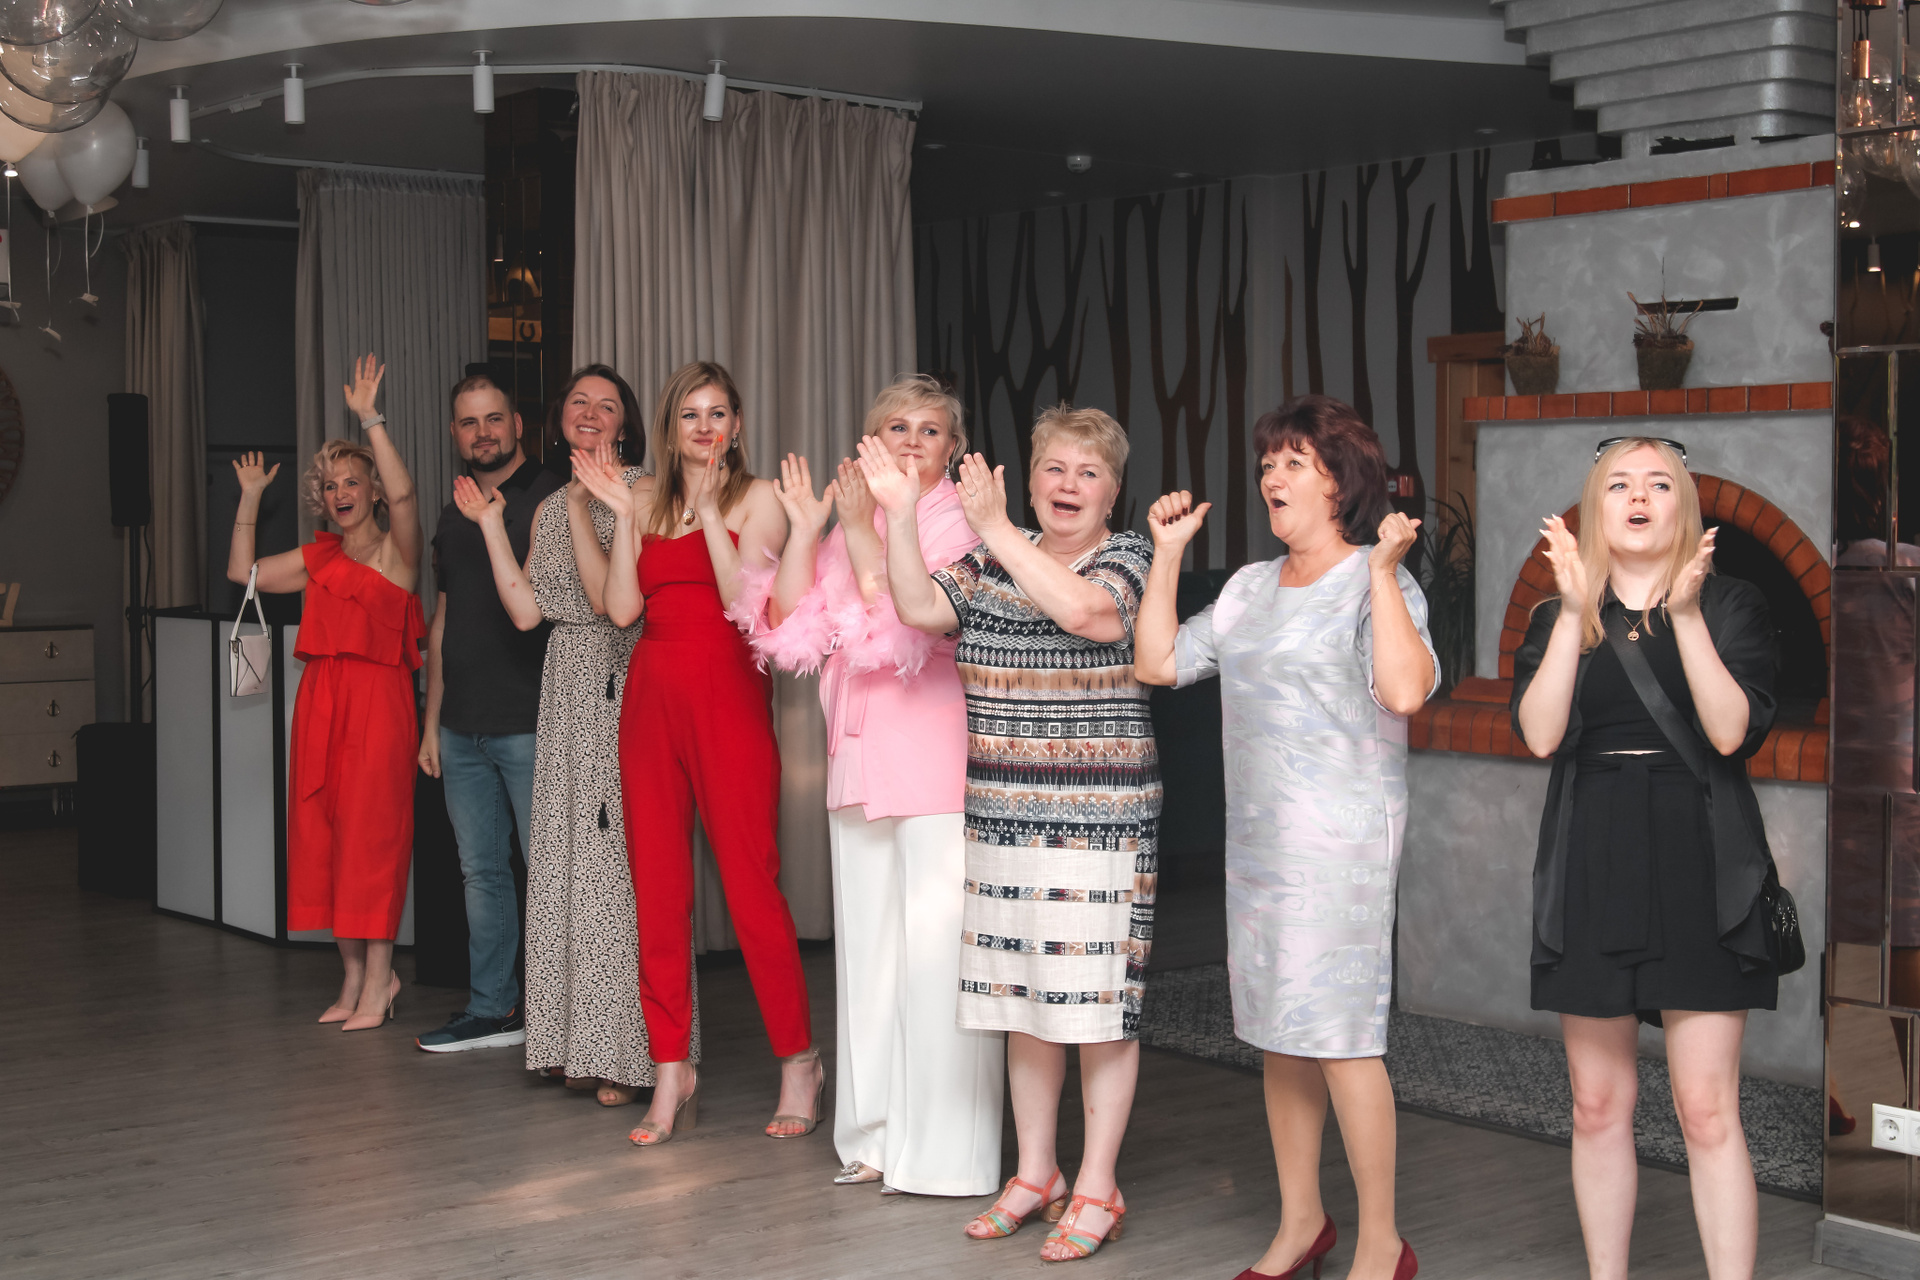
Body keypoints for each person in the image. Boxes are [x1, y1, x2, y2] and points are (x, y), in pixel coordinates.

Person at [1133, 395, 1434, 1280]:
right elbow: (1158, 661)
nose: (1272, 475)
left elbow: (1406, 692)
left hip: (1342, 845)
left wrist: (1383, 576)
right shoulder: (1249, 588)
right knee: (1280, 1030)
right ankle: (1302, 1222)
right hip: (1261, 846)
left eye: (1294, 461)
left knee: (1342, 1035)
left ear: (1342, 481)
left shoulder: (1381, 577)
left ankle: (1382, 1242)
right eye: (1268, 463)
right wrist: (1166, 556)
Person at [869, 405, 1158, 1262]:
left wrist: (996, 527)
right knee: (1021, 1003)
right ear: (1029, 480)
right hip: (1001, 818)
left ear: (1113, 490)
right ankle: (1037, 1173)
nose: (1069, 485)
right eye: (1054, 469)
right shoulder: (988, 558)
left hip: (1099, 824)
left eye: (1088, 472)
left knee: (1098, 1011)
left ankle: (1099, 1184)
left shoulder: (1127, 556)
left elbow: (1089, 616)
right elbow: (918, 605)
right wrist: (897, 514)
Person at [1513, 436, 1780, 1280]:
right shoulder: (1558, 613)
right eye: (1619, 484)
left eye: (1659, 484)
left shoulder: (1731, 605)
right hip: (1592, 856)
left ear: (1684, 507)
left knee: (1706, 1110)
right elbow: (1540, 735)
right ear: (1596, 507)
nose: (1638, 497)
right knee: (1596, 1105)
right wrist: (1570, 612)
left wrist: (1687, 616)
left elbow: (1730, 733)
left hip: (1702, 857)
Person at [732, 373, 1004, 1196]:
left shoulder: (964, 524)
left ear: (953, 449)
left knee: (935, 958)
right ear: (870, 440)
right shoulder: (857, 516)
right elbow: (788, 628)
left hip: (935, 760)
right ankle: (876, 1136)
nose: (912, 441)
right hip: (856, 760)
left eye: (930, 430)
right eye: (897, 427)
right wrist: (810, 528)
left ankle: (945, 1154)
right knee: (870, 957)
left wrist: (856, 532)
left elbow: (907, 624)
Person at [575, 360, 820, 1146]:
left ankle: (799, 1061)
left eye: (718, 414)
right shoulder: (645, 497)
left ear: (737, 425)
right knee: (658, 892)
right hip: (651, 701)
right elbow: (621, 608)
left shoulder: (760, 499)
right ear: (671, 425)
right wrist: (624, 519)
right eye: (690, 414)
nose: (705, 427)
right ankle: (671, 1069)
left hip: (728, 702)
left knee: (752, 889)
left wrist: (712, 513)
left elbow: (743, 602)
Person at [452, 365, 694, 1106]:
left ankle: (634, 1055)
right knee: (566, 871)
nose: (590, 413)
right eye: (579, 402)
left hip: (623, 685)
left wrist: (594, 505)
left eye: (607, 405)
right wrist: (492, 526)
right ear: (559, 419)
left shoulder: (646, 493)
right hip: (564, 694)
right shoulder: (552, 504)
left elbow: (608, 602)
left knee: (618, 873)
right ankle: (577, 1044)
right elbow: (527, 611)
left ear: (626, 423)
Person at [225, 354, 423, 1032]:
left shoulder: (396, 554)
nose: (340, 492)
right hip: (322, 701)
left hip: (379, 702)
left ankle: (380, 979)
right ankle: (352, 977)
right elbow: (242, 572)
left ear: (373, 491)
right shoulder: (319, 560)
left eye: (352, 481)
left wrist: (371, 419)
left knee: (373, 840)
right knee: (326, 835)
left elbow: (407, 500)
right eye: (331, 484)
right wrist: (251, 496)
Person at [413, 372, 561, 1053]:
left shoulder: (551, 498)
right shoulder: (455, 510)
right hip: (461, 727)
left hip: (532, 722)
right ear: (454, 432)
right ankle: (494, 1010)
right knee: (482, 874)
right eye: (469, 422)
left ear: (518, 424)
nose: (483, 433)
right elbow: (443, 620)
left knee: (548, 872)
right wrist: (431, 722)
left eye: (494, 419)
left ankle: (562, 1021)